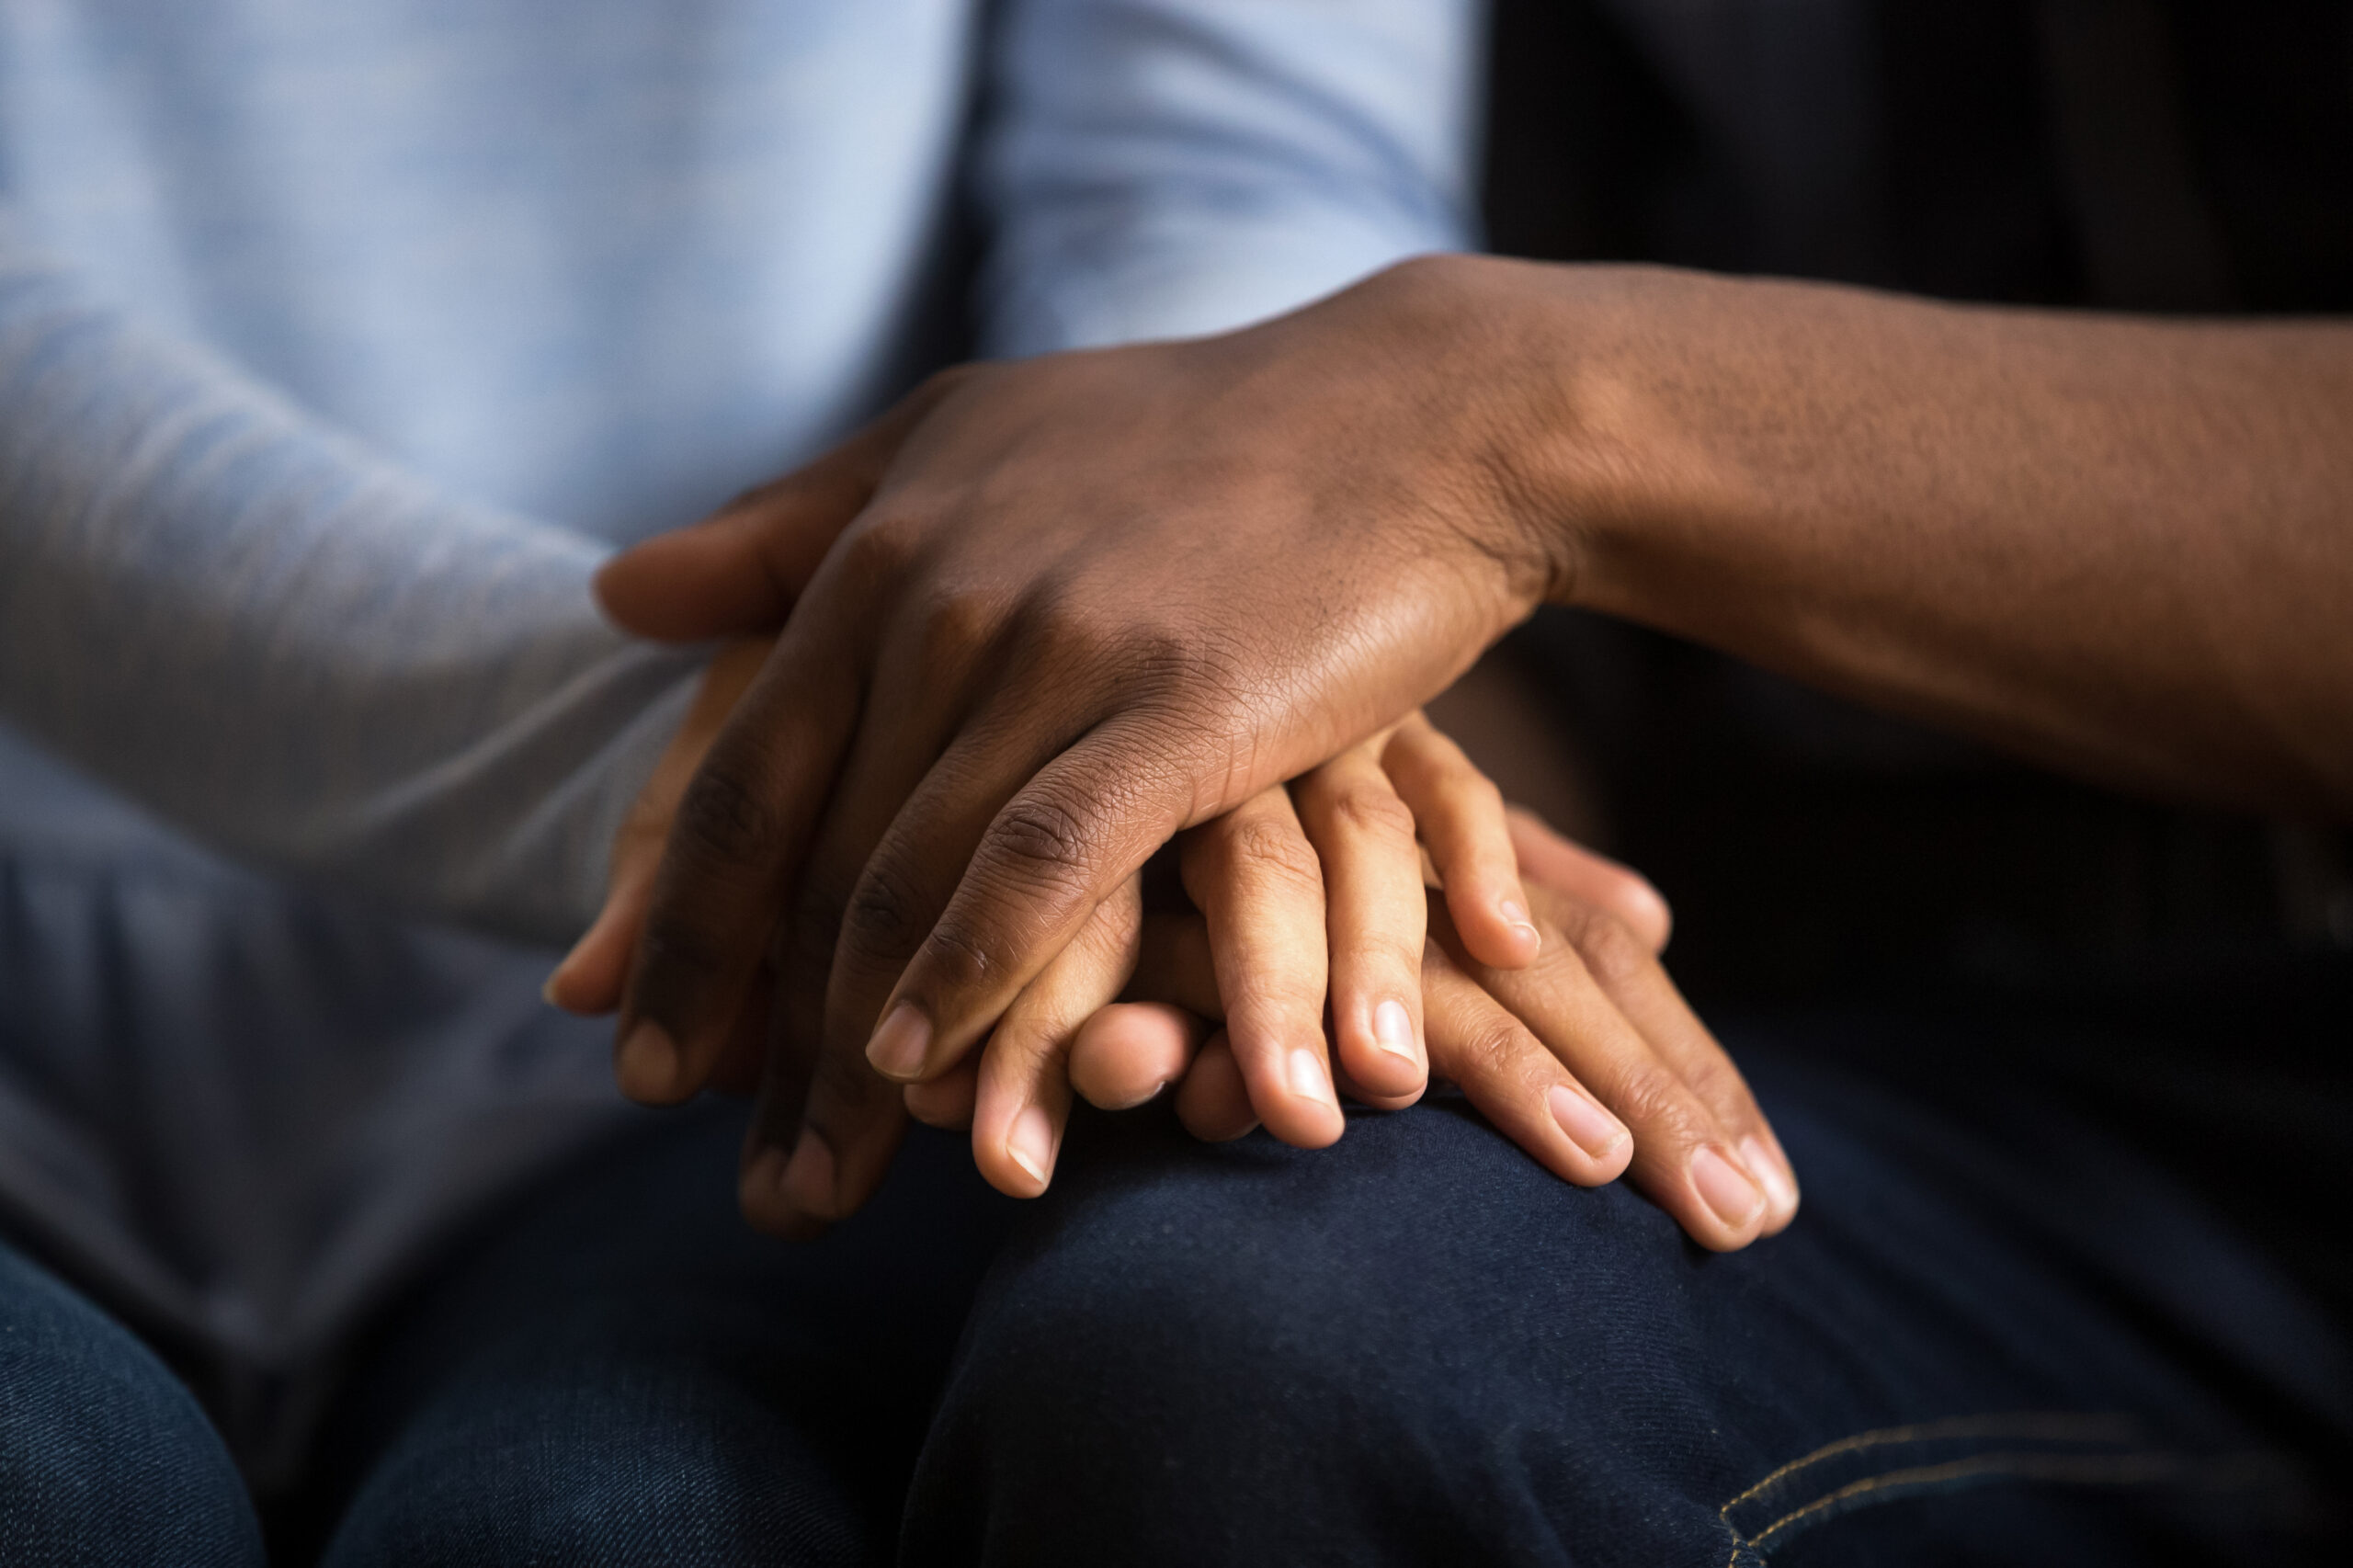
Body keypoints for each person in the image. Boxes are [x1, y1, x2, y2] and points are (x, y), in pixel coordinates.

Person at [592, 4, 2353, 1561]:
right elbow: (1381, 542)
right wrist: (1278, 839)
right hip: (1785, 1009)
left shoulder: (1488, 394)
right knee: (1233, 1358)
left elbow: (1397, 436)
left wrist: (1528, 411)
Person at [2, 3, 1713, 1561]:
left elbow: (1231, 165)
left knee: (616, 1533)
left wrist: (1199, 687)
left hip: (702, 1077)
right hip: (780, 932)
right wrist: (868, 780)